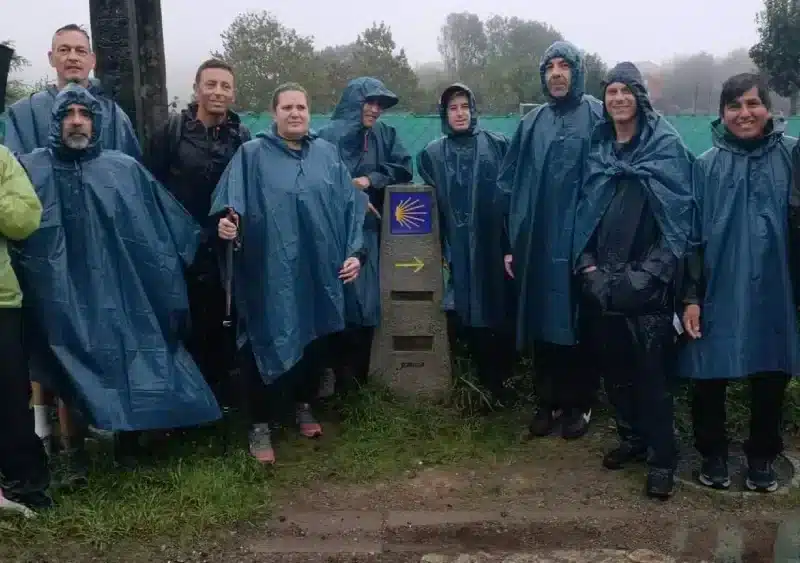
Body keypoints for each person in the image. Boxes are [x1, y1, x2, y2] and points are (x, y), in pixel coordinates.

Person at [11, 84, 221, 470]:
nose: (77, 121)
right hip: (61, 293)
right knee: (65, 361)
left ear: (95, 121)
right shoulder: (31, 168)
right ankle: (73, 453)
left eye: (84, 114)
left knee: (133, 355)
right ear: (56, 121)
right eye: (68, 114)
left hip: (122, 289)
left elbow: (161, 225)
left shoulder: (122, 169)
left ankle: (131, 442)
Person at [212, 83, 365, 464]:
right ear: (273, 113)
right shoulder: (251, 155)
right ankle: (259, 423)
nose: (295, 113)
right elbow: (229, 206)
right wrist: (226, 225)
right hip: (269, 271)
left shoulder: (326, 155)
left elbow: (351, 206)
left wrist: (354, 252)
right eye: (287, 107)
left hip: (318, 268)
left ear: (309, 112)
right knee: (263, 339)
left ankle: (304, 404)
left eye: (301, 107)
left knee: (315, 339)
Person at [573, 62, 694, 499]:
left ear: (640, 97)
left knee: (652, 378)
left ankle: (662, 456)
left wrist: (647, 278)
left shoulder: (665, 148)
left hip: (649, 291)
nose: (618, 99)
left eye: (626, 91)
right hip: (601, 286)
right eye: (611, 92)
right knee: (616, 374)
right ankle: (632, 438)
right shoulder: (598, 150)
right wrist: (588, 270)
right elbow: (580, 217)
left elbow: (678, 225)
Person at [681, 73, 799, 493]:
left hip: (775, 287)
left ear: (769, 109)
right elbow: (692, 237)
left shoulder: (792, 158)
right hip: (717, 289)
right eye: (734, 106)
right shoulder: (705, 167)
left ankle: (762, 457)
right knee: (708, 374)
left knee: (771, 374)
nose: (744, 113)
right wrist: (691, 295)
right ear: (722, 114)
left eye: (752, 104)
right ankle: (712, 454)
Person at [498, 41, 603, 438]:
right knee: (543, 318)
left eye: (564, 66)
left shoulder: (597, 114)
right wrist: (511, 242)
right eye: (550, 67)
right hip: (539, 242)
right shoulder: (532, 123)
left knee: (579, 320)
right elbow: (509, 182)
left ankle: (581, 402)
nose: (556, 73)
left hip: (582, 242)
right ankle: (548, 400)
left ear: (578, 71)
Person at [146, 59, 251, 405]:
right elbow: (149, 187)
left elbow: (248, 192)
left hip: (224, 249)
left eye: (225, 86)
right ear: (196, 88)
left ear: (233, 93)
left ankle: (218, 403)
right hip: (177, 248)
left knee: (223, 324)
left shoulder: (242, 137)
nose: (218, 92)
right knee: (181, 323)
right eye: (211, 84)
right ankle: (183, 404)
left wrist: (236, 224)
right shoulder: (172, 132)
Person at [417, 83, 514, 408]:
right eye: (452, 108)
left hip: (492, 242)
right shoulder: (432, 154)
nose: (459, 113)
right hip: (455, 245)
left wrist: (510, 243)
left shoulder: (497, 144)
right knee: (461, 308)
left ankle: (500, 381)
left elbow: (511, 198)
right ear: (444, 114)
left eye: (464, 106)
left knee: (496, 305)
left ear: (473, 109)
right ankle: (470, 382)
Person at [317, 77, 413, 390]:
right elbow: (318, 179)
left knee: (365, 303)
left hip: (369, 233)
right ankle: (326, 371)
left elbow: (403, 167)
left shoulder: (386, 134)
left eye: (380, 105)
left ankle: (355, 381)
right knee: (332, 299)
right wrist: (352, 192)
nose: (374, 109)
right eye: (369, 102)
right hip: (331, 231)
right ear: (353, 102)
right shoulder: (325, 136)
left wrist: (370, 180)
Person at [0, 142, 52, 516]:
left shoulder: (1, 158)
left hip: (1, 301)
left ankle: (24, 487)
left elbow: (25, 219)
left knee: (9, 399)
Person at [3, 24, 140, 159]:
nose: (73, 57)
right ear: (51, 58)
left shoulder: (113, 114)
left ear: (92, 60)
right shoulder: (23, 113)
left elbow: (132, 170)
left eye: (81, 51)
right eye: (64, 50)